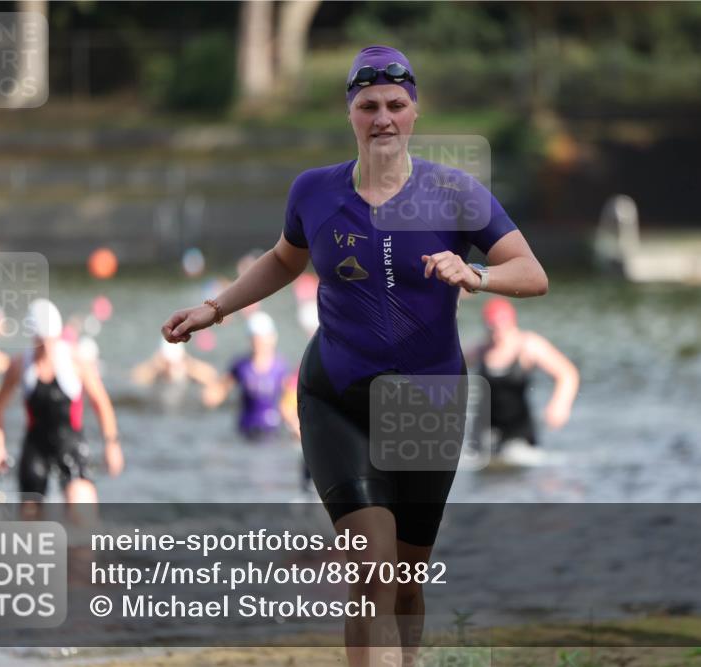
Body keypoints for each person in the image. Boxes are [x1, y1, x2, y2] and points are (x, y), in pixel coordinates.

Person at [162, 45, 547, 667]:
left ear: (415, 113)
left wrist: (476, 274)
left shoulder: (455, 193)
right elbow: (285, 259)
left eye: (396, 104)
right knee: (371, 571)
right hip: (336, 396)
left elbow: (531, 273)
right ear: (352, 115)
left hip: (427, 402)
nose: (383, 117)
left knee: (406, 581)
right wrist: (218, 307)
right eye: (369, 106)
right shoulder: (314, 192)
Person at [0, 299, 123, 503]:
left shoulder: (76, 361)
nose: (46, 347)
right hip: (36, 446)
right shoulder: (20, 365)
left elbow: (101, 404)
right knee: (30, 516)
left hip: (70, 443)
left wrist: (111, 445)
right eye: (41, 341)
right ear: (33, 337)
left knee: (81, 503)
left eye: (50, 340)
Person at [468, 297, 579, 462]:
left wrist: (560, 405)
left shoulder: (528, 344)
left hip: (519, 432)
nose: (498, 335)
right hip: (483, 433)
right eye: (493, 329)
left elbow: (567, 374)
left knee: (518, 469)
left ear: (512, 323)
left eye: (503, 327)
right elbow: (446, 371)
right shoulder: (480, 350)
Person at [202, 312, 292, 442]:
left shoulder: (281, 367)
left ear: (272, 338)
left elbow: (290, 398)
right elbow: (219, 391)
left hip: (273, 430)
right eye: (255, 339)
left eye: (262, 339)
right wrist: (210, 394)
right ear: (250, 340)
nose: (260, 343)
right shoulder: (241, 365)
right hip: (245, 431)